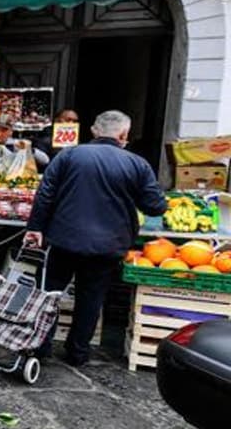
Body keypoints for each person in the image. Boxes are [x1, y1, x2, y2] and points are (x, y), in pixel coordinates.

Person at [24, 110, 167, 366]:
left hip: (64, 239)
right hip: (108, 245)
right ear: (123, 135)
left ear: (93, 131)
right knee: (91, 298)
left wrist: (35, 228)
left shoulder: (68, 155)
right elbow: (155, 206)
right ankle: (77, 353)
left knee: (50, 293)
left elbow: (45, 194)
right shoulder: (137, 164)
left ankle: (40, 348)